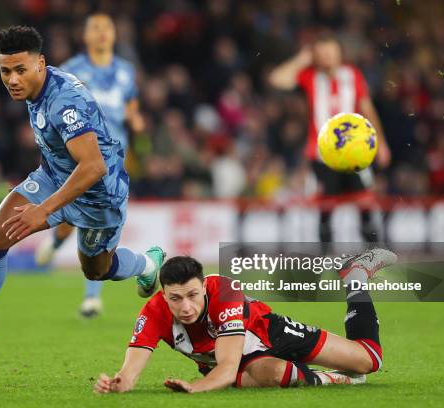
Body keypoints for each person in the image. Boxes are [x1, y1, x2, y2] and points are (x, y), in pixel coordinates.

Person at [0, 26, 164, 366]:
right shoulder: (35, 90)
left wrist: (43, 210)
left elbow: (93, 167)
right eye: (5, 71)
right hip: (53, 177)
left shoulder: (65, 101)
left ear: (40, 64)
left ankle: (147, 262)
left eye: (20, 70)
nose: (12, 79)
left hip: (100, 193)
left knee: (97, 271)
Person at [94, 248, 397, 393]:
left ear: (204, 286)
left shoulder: (224, 292)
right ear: (164, 295)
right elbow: (130, 371)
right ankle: (335, 378)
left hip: (269, 331)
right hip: (239, 358)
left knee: (370, 360)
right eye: (175, 298)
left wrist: (197, 387)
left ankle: (355, 276)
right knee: (272, 374)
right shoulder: (154, 312)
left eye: (192, 295)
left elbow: (226, 370)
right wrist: (119, 383)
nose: (185, 307)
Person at [34, 13, 145, 318]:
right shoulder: (71, 71)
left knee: (99, 223)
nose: (101, 33)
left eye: (106, 28)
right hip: (77, 156)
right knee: (83, 218)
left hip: (112, 157)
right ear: (85, 36)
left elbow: (131, 105)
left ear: (114, 34)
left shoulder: (125, 72)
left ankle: (91, 295)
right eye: (94, 28)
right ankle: (58, 240)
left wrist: (135, 119)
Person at [269, 32, 391, 242]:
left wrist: (381, 142)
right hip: (321, 155)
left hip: (354, 153)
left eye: (330, 51)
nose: (326, 57)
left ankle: (374, 258)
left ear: (339, 53)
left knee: (365, 204)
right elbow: (276, 79)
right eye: (321, 52)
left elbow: (366, 108)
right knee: (325, 210)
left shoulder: (352, 75)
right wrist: (303, 58)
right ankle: (326, 261)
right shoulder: (310, 76)